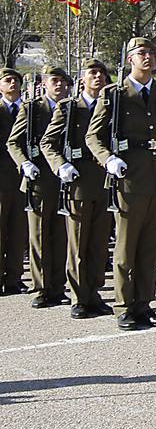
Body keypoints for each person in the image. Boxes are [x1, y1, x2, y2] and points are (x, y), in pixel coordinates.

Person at [87, 38, 156, 329]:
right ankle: (124, 306)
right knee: (126, 247)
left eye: (152, 54)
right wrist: (108, 159)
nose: (149, 58)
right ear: (130, 58)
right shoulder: (115, 93)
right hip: (129, 178)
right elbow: (93, 137)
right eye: (142, 53)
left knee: (150, 247)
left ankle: (144, 304)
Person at [41, 59, 113, 317]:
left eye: (102, 73)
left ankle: (94, 294)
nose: (99, 77)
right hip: (79, 182)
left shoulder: (112, 107)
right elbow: (47, 143)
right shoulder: (69, 108)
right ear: (82, 79)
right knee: (78, 245)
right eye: (93, 73)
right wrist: (61, 166)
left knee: (99, 244)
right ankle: (78, 298)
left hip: (105, 182)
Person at [10, 66, 71, 309]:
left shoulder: (70, 109)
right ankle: (42, 288)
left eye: (63, 81)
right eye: (54, 81)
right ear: (44, 83)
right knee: (40, 237)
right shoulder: (33, 108)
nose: (60, 85)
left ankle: (58, 286)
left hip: (64, 179)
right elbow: (13, 142)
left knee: (60, 236)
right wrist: (24, 163)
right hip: (39, 179)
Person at [0, 68, 25, 296]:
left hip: (22, 179)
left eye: (16, 80)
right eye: (8, 80)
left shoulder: (28, 110)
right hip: (1, 179)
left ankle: (15, 278)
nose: (13, 84)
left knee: (18, 231)